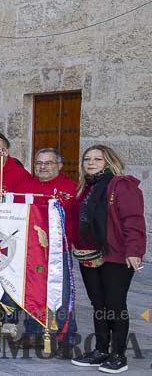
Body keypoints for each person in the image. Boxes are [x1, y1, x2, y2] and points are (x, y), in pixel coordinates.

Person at [70, 145, 146, 373]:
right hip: (88, 254)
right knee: (98, 304)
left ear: (108, 161)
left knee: (115, 305)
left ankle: (118, 355)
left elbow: (133, 220)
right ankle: (101, 350)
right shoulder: (85, 188)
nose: (91, 163)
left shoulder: (121, 185)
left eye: (97, 159)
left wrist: (134, 251)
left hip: (116, 254)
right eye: (87, 159)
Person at [17, 148, 79, 350]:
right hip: (30, 250)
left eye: (48, 163)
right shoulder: (25, 186)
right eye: (39, 163)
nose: (43, 167)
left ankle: (66, 338)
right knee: (31, 292)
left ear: (59, 166)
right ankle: (32, 332)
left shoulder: (71, 188)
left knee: (62, 295)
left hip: (58, 252)